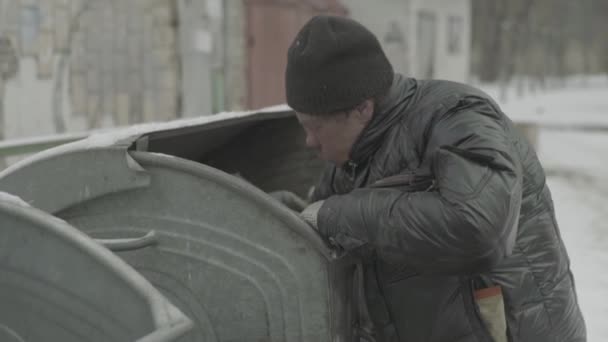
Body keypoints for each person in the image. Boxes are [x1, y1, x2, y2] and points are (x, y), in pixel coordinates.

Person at [286, 15, 586, 342]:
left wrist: (337, 214)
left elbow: (479, 228)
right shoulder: (354, 154)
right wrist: (293, 213)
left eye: (315, 126)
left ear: (362, 109)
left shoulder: (457, 117)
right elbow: (332, 216)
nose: (309, 142)